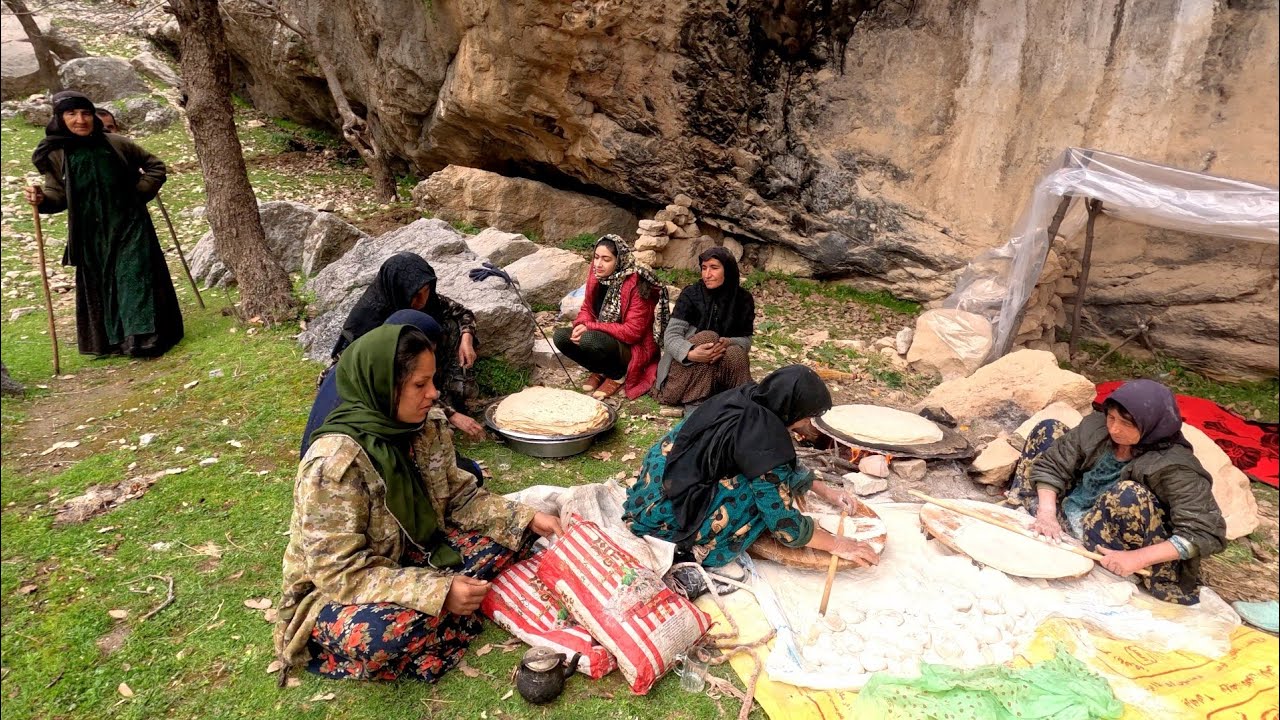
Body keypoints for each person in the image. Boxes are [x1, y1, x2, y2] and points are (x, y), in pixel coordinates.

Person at [275, 323, 562, 682]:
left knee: (515, 535)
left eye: (432, 381)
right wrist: (438, 591)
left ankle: (449, 618)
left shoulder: (425, 426)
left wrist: (528, 518)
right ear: (381, 386)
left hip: (414, 554)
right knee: (380, 636)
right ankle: (441, 619)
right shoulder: (335, 465)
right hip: (337, 591)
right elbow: (337, 573)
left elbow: (460, 498)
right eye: (419, 385)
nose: (433, 393)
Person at [623, 365, 880, 571]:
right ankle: (694, 546)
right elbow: (783, 525)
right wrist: (838, 544)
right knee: (759, 503)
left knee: (766, 477)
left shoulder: (745, 397)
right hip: (668, 517)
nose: (807, 423)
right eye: (807, 416)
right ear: (793, 411)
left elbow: (773, 463)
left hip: (657, 483)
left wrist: (827, 492)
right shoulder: (767, 438)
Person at [1008, 379, 1226, 605]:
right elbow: (1054, 463)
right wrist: (1047, 512)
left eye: (1126, 424)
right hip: (1074, 509)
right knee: (1048, 429)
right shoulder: (1099, 428)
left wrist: (1137, 558)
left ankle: (1111, 561)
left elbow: (1205, 532)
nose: (1114, 429)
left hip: (1117, 540)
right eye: (1111, 417)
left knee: (1128, 493)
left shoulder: (1175, 466)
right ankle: (1038, 514)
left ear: (1151, 425)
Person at [25, 91, 183, 358]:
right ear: (60, 119)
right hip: (89, 232)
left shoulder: (117, 143)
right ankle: (113, 340)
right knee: (103, 283)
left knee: (132, 275)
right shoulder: (55, 154)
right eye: (72, 114)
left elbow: (155, 166)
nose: (80, 120)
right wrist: (41, 199)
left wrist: (138, 194)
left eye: (86, 113)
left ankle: (143, 338)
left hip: (130, 223)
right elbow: (58, 195)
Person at [300, 309, 484, 481]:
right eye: (420, 383)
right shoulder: (339, 467)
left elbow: (456, 494)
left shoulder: (368, 377)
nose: (434, 393)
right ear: (388, 376)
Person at [330, 252, 483, 439]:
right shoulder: (369, 324)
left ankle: (447, 395)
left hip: (415, 382)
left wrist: (466, 337)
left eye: (426, 292)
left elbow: (461, 312)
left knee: (451, 326)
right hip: (383, 399)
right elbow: (387, 383)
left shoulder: (428, 301)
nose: (421, 302)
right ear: (399, 291)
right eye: (415, 295)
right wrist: (450, 414)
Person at [553, 235, 669, 400]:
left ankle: (617, 375)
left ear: (619, 260)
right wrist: (580, 324)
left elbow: (632, 332)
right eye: (596, 257)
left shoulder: (636, 284)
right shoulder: (597, 275)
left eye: (606, 259)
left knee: (590, 340)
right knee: (562, 337)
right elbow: (587, 307)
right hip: (606, 338)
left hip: (632, 347)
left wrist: (591, 327)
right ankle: (601, 371)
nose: (598, 264)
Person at [653, 247, 755, 413]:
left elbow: (746, 341)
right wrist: (690, 353)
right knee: (708, 336)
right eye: (704, 268)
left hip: (718, 373)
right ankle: (696, 405)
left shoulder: (743, 299)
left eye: (714, 268)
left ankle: (743, 402)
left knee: (735, 351)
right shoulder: (691, 295)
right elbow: (670, 337)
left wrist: (728, 342)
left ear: (727, 270)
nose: (707, 274)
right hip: (682, 378)